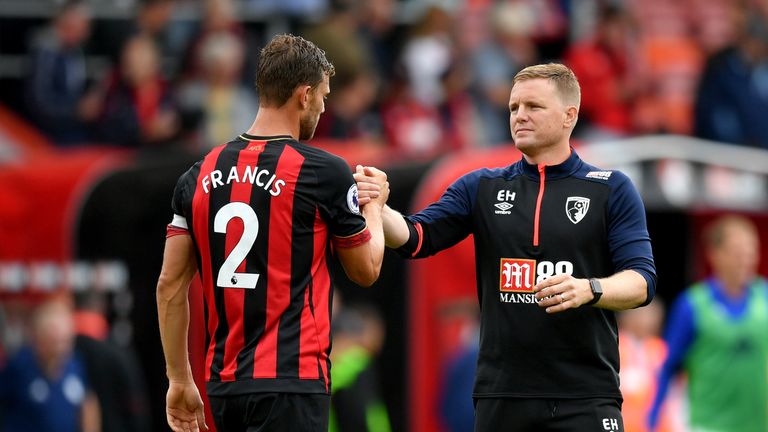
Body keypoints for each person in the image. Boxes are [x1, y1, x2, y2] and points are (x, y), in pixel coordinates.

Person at [355, 63, 657, 431]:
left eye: (534, 107)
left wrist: (589, 288)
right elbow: (416, 238)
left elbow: (641, 281)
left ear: (569, 116)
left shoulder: (611, 188)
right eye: (514, 108)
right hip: (503, 397)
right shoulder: (481, 187)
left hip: (586, 396)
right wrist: (380, 207)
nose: (520, 116)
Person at [156, 34, 387, 432]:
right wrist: (375, 208)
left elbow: (170, 285)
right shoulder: (322, 171)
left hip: (224, 385)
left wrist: (179, 379)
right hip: (292, 382)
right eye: (324, 97)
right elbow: (365, 269)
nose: (323, 107)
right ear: (304, 95)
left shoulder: (196, 176)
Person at [648, 215, 767, 432]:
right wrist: (653, 419)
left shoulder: (765, 296)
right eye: (737, 251)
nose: (746, 259)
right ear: (715, 254)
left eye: (751, 251)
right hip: (708, 425)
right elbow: (669, 367)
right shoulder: (693, 304)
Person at [0, 296, 100, 432]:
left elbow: (88, 404)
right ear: (38, 339)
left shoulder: (75, 365)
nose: (61, 348)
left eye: (65, 341)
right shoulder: (19, 366)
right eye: (55, 341)